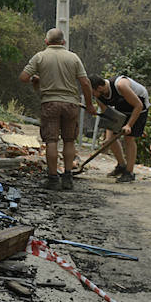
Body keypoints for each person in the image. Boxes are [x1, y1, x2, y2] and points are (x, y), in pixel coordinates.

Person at [18, 28, 96, 190]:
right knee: (69, 140)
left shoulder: (40, 57)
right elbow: (85, 83)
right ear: (63, 42)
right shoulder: (73, 58)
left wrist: (36, 79)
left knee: (51, 141)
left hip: (50, 103)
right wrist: (89, 104)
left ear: (46, 42)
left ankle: (53, 178)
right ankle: (67, 178)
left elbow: (24, 77)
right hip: (71, 104)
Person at [89, 73, 150, 182]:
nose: (92, 94)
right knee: (111, 139)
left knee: (129, 138)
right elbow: (109, 117)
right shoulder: (99, 97)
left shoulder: (120, 85)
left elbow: (138, 105)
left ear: (99, 88)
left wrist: (129, 125)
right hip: (121, 109)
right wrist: (108, 139)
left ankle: (129, 172)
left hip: (138, 108)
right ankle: (121, 165)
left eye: (92, 91)